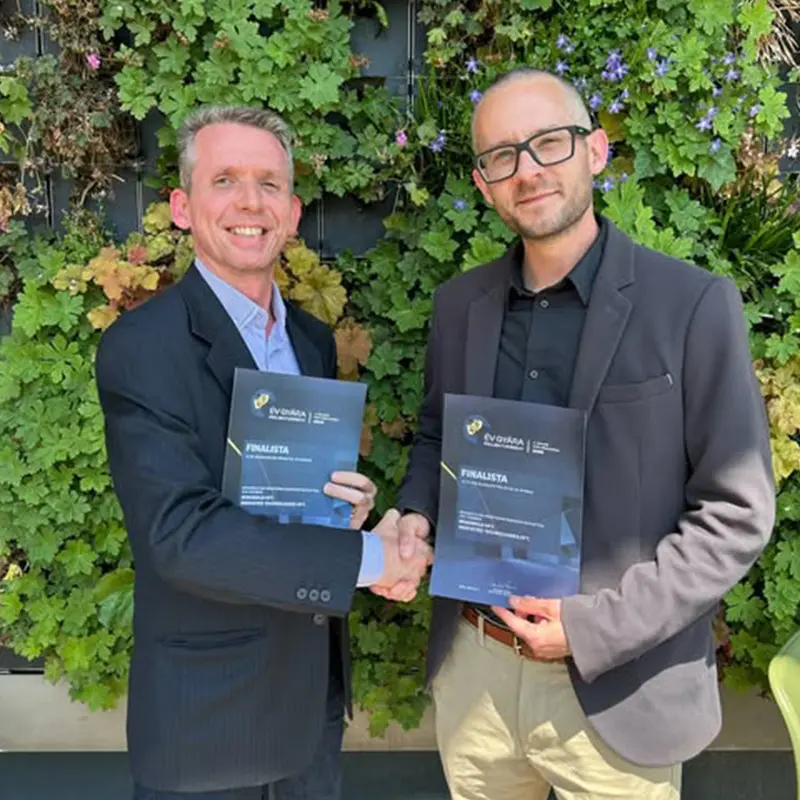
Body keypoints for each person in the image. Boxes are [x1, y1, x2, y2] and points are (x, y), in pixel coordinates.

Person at [392, 69, 775, 799]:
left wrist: (595, 629)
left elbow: (736, 512)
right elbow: (440, 437)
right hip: (476, 676)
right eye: (503, 155)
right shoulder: (459, 306)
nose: (528, 169)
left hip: (620, 687)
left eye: (550, 143)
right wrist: (415, 514)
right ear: (483, 185)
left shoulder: (692, 305)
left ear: (595, 150)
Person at [95, 105, 431, 800]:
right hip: (209, 723)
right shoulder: (143, 347)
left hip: (311, 713)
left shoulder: (310, 339)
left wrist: (343, 509)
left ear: (293, 212)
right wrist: (370, 559)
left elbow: (285, 495)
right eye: (225, 180)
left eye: (269, 184)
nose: (250, 202)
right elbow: (181, 536)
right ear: (183, 208)